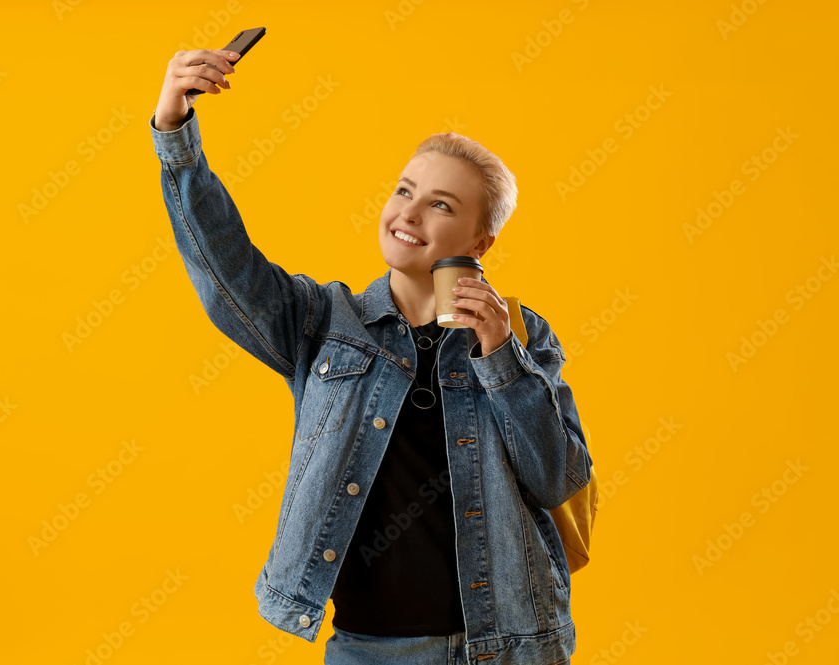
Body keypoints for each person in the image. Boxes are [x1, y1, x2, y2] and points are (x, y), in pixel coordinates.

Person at [151, 48, 591, 665]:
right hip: (369, 651)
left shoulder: (522, 336)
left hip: (510, 647)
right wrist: (175, 132)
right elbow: (224, 263)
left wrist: (501, 359)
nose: (409, 212)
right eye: (405, 190)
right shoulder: (322, 323)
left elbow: (559, 479)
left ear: (481, 241)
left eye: (441, 204)